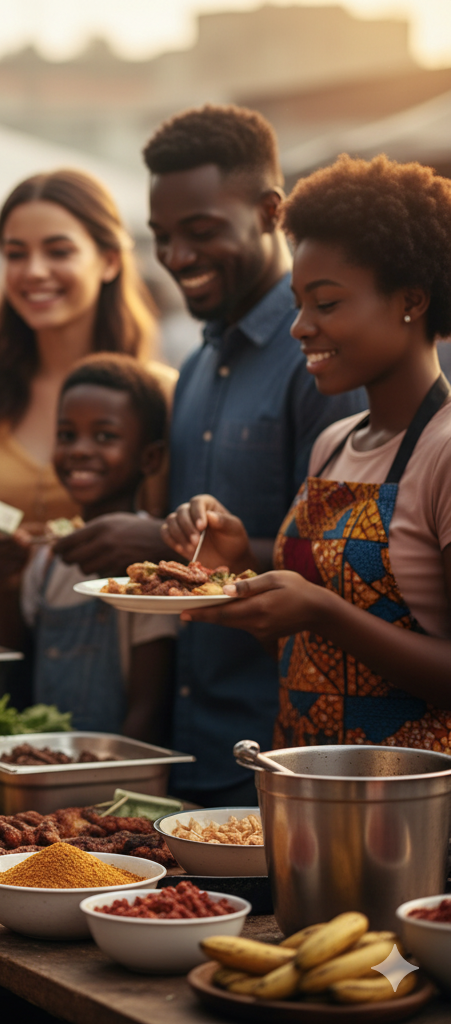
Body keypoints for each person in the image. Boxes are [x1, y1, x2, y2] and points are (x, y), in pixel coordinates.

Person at [52, 106, 366, 805]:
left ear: (270, 212)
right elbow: (194, 542)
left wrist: (160, 549)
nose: (177, 256)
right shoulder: (194, 366)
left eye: (200, 232)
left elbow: (345, 571)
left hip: (284, 749)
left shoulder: (321, 363)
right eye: (162, 237)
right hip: (186, 744)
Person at [164, 154, 451, 751]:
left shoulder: (444, 452)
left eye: (326, 303)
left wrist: (323, 611)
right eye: (298, 303)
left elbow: (325, 621)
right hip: (309, 793)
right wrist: (236, 562)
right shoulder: (334, 443)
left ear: (412, 300)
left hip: (415, 814)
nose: (299, 327)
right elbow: (299, 652)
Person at [0, 169, 173, 644]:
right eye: (16, 253)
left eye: (59, 250)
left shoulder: (160, 393)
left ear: (109, 260)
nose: (33, 271)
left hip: (119, 642)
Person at [0, 353, 176, 740]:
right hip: (49, 761)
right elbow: (19, 669)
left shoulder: (149, 571)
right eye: (67, 435)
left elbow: (149, 706)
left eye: (105, 436)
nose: (80, 450)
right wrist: (6, 587)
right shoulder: (48, 558)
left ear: (150, 458)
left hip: (115, 770)